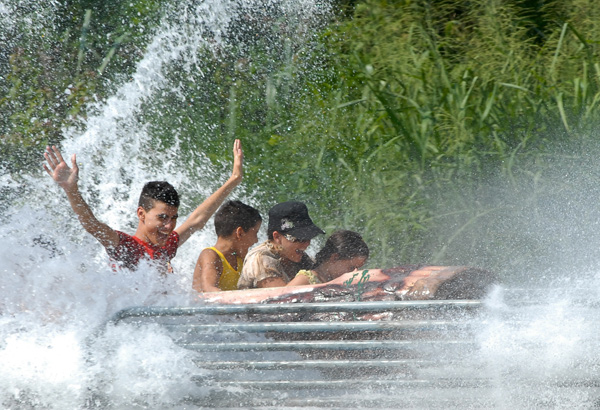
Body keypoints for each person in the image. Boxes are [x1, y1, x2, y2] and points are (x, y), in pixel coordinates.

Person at [43, 139, 244, 273]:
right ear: (141, 213)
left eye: (173, 218)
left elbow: (196, 220)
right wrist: (71, 190)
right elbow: (92, 225)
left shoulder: (166, 245)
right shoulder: (125, 246)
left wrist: (233, 180)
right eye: (162, 218)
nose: (169, 226)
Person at [237, 201, 324, 289]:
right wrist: (308, 277)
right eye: (300, 238)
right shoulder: (261, 259)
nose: (307, 243)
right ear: (277, 237)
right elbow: (282, 298)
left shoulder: (297, 256)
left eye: (309, 237)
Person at [192, 200, 262, 292]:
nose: (256, 240)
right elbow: (209, 289)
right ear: (240, 233)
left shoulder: (240, 257)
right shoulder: (210, 255)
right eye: (255, 233)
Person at [287, 230, 369, 286]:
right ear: (334, 258)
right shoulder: (305, 280)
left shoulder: (342, 283)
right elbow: (277, 305)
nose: (356, 272)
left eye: (358, 268)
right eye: (351, 267)